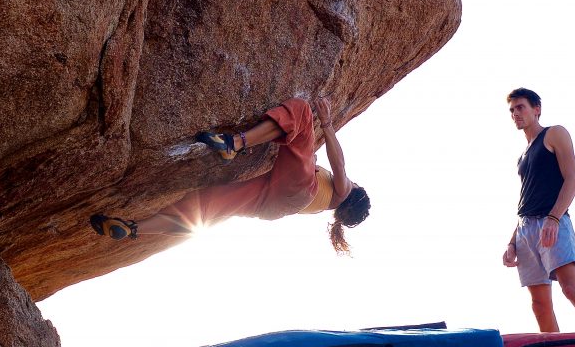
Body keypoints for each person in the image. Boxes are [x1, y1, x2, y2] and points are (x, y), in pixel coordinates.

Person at [90, 97, 370, 254]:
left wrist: (328, 123)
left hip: (295, 189)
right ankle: (134, 228)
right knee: (205, 208)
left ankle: (235, 143)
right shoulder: (323, 204)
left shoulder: (342, 192)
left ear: (352, 195)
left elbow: (340, 166)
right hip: (272, 207)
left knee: (301, 114)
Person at [502, 88, 575, 332]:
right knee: (539, 303)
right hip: (526, 228)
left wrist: (554, 218)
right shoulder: (522, 156)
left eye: (521, 107)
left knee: (570, 288)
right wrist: (512, 242)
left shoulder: (554, 134)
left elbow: (573, 179)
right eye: (512, 110)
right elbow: (526, 199)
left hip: (552, 222)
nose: (515, 113)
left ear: (537, 109)